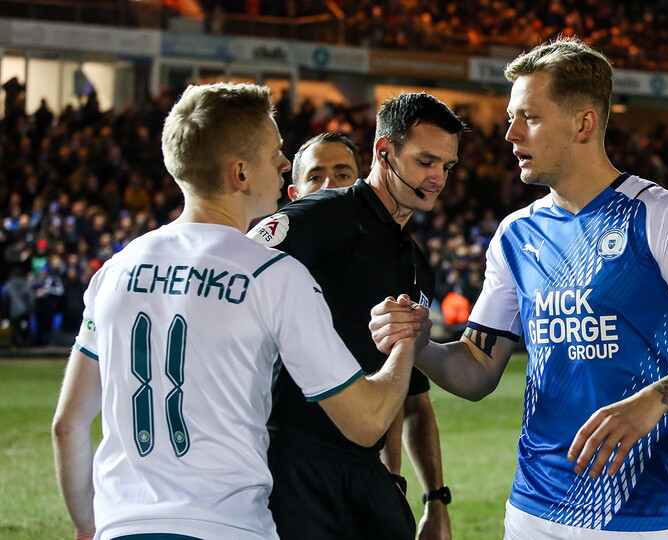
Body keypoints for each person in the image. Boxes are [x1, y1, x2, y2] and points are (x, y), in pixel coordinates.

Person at [371, 38, 668, 539]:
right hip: (533, 510)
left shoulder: (658, 215)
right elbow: (475, 372)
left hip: (642, 515)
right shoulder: (515, 235)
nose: (509, 133)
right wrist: (419, 343)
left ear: (584, 123)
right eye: (511, 116)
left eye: (528, 117)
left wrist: (653, 401)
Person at [51, 83, 422, 540]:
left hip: (122, 525)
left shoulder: (115, 270)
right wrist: (404, 340)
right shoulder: (271, 273)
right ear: (241, 174)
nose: (285, 165)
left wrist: (88, 526)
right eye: (275, 154)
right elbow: (365, 423)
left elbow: (68, 425)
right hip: (228, 525)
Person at [247, 93, 465, 540]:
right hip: (292, 457)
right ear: (384, 152)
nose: (437, 178)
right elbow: (237, 267)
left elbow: (413, 397)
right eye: (426, 161)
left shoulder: (414, 261)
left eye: (446, 166)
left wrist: (435, 501)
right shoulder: (325, 214)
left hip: (364, 468)